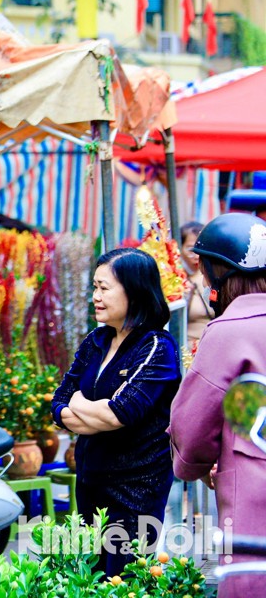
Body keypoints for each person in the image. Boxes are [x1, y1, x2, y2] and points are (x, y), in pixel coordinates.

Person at [51, 247, 181, 577]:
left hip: (136, 488)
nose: (96, 296)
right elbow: (58, 404)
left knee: (122, 580)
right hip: (91, 479)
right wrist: (92, 413)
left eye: (104, 288)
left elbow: (120, 413)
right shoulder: (96, 340)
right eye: (94, 287)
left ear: (134, 291)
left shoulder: (156, 346)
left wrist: (80, 405)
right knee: (89, 576)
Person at [169, 213, 266, 598]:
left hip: (253, 525)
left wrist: (195, 464)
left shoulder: (229, 332)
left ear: (218, 274)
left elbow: (191, 429)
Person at [180, 221, 213, 345]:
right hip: (186, 348)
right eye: (190, 250)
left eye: (200, 250)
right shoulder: (173, 280)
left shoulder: (213, 278)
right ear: (179, 248)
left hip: (211, 344)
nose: (196, 256)